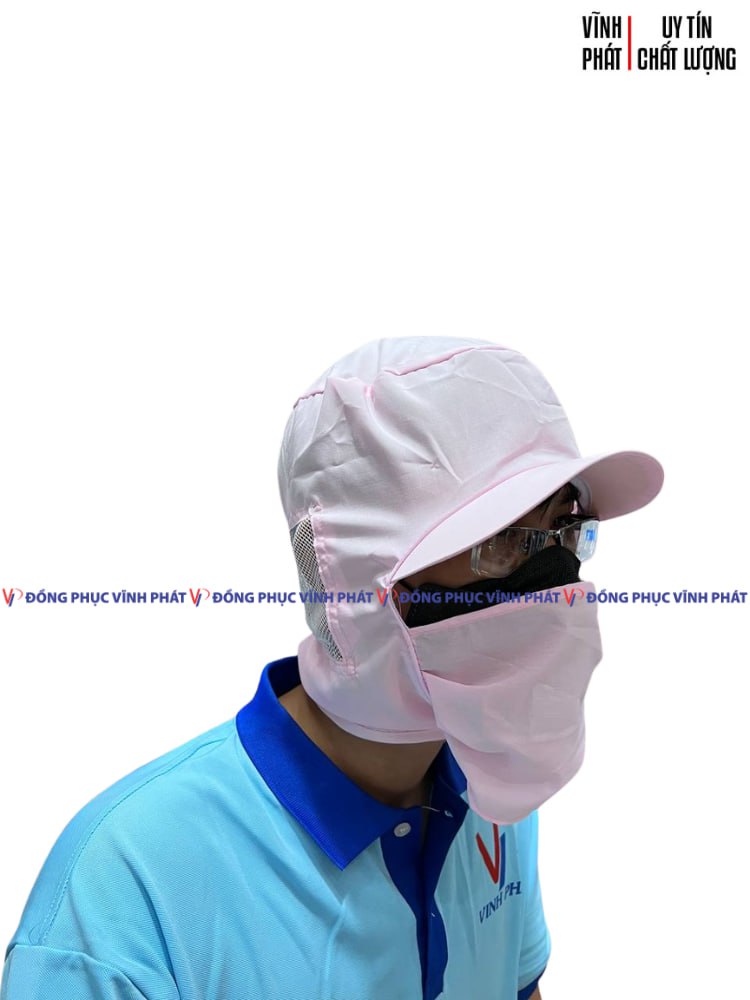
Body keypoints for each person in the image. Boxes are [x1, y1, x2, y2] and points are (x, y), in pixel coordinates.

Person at [0, 337, 663, 1000]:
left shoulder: (494, 782)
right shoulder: (125, 895)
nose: (553, 580)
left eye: (565, 529)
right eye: (504, 540)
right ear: (357, 579)